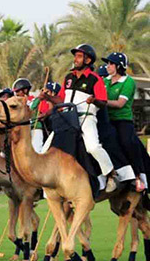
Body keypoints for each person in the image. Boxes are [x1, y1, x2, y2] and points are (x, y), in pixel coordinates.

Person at [42, 44, 134, 187]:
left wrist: (94, 100)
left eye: (79, 56)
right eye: (75, 56)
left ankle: (110, 174)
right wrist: (48, 98)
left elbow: (103, 101)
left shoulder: (95, 79)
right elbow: (61, 100)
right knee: (45, 148)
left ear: (88, 60)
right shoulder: (68, 78)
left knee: (93, 147)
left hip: (86, 117)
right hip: (67, 118)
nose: (75, 59)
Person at [103, 52, 146, 192]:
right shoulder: (105, 81)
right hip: (106, 119)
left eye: (110, 63)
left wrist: (101, 102)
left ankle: (138, 176)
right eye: (107, 63)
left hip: (122, 120)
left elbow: (120, 103)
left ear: (119, 66)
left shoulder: (128, 82)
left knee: (128, 143)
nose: (107, 66)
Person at [29, 82, 58, 153]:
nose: (43, 93)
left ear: (53, 94)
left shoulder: (57, 107)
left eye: (47, 92)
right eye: (42, 91)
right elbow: (32, 107)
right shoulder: (39, 101)